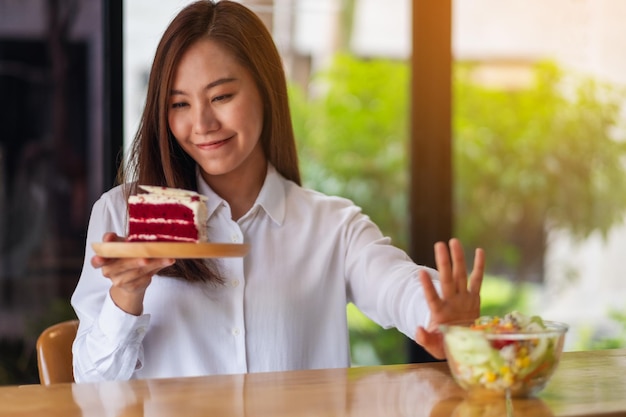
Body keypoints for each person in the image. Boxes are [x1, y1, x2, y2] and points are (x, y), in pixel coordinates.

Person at [71, 0, 484, 383]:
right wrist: (126, 295)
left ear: (266, 91)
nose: (201, 123)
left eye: (221, 96)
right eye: (180, 104)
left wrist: (437, 309)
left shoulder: (332, 227)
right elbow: (91, 386)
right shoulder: (122, 218)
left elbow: (395, 283)